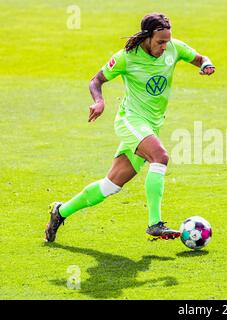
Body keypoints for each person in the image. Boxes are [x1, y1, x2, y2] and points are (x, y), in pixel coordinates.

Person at [45, 13, 215, 242]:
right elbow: (96, 80)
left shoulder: (174, 48)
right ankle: (154, 223)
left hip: (152, 125)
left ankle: (61, 211)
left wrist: (206, 64)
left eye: (167, 41)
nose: (165, 47)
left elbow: (199, 58)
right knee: (161, 157)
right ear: (147, 37)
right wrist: (99, 101)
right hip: (131, 120)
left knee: (110, 186)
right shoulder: (126, 57)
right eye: (160, 42)